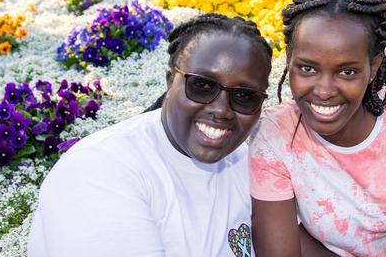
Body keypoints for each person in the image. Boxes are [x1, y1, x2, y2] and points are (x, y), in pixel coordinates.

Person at [28, 14, 273, 256]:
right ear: (170, 81)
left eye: (244, 97)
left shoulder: (246, 160)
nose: (221, 110)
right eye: (202, 86)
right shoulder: (99, 169)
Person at [250, 0, 386, 256]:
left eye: (347, 72)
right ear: (290, 59)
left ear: (373, 65)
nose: (325, 91)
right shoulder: (274, 134)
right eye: (307, 68)